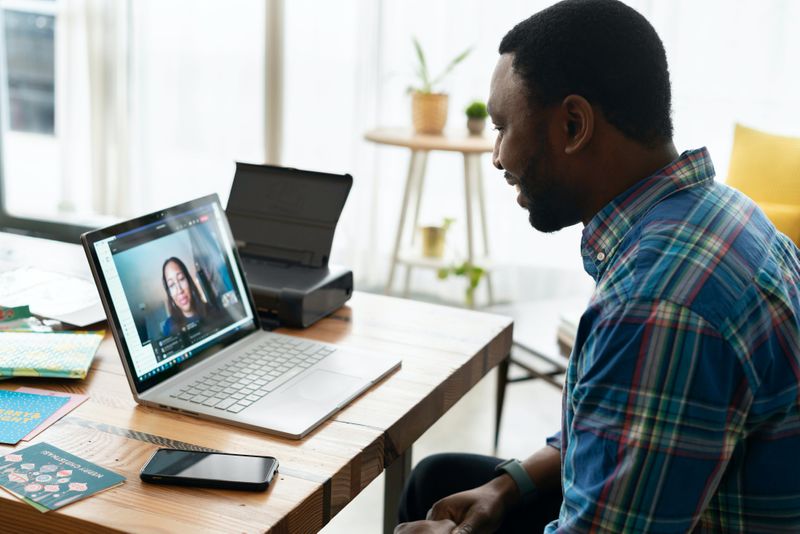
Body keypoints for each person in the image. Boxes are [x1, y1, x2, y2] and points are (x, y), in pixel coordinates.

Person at [395, 1, 800, 533]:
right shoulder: (722, 213)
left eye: (502, 127)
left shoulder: (657, 303)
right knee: (438, 479)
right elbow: (622, 426)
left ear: (572, 125)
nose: (497, 155)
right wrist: (506, 484)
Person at [161, 256, 211, 337]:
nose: (179, 290)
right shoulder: (169, 327)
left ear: (189, 281)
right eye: (172, 285)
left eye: (181, 279)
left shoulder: (210, 309)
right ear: (169, 293)